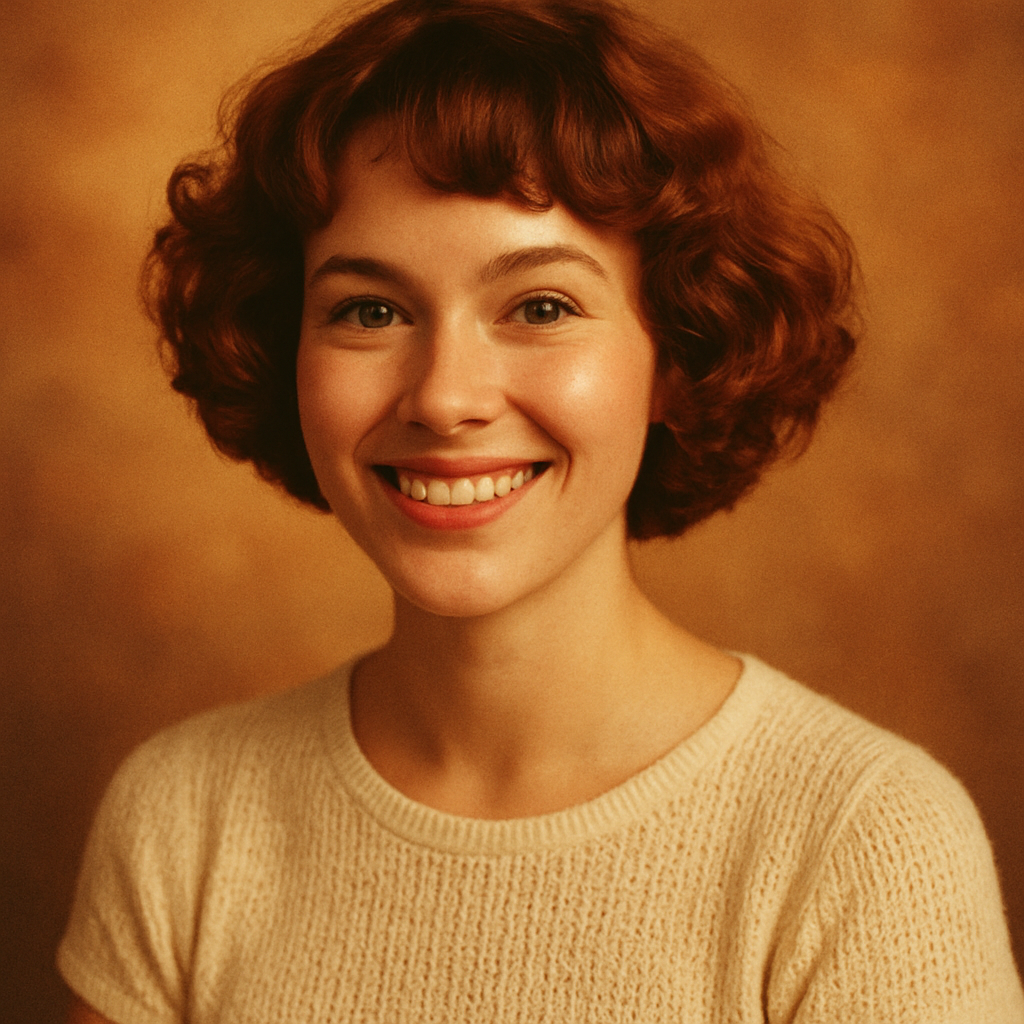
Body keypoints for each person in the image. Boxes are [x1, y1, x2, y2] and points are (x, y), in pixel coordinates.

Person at [58, 0, 1023, 1020]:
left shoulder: (862, 838)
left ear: (674, 354)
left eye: (541, 307)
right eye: (369, 310)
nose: (442, 395)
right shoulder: (180, 821)